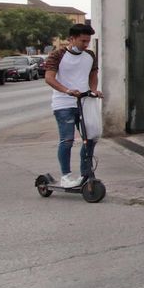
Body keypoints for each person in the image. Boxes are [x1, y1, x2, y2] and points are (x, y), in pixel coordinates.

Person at [43, 23, 102, 188]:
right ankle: (66, 176)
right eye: (82, 41)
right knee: (67, 140)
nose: (85, 45)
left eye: (87, 41)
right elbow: (49, 78)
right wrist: (66, 90)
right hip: (64, 104)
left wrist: (93, 90)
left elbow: (93, 74)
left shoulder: (90, 55)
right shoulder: (57, 55)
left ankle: (86, 173)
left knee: (91, 137)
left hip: (84, 102)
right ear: (71, 39)